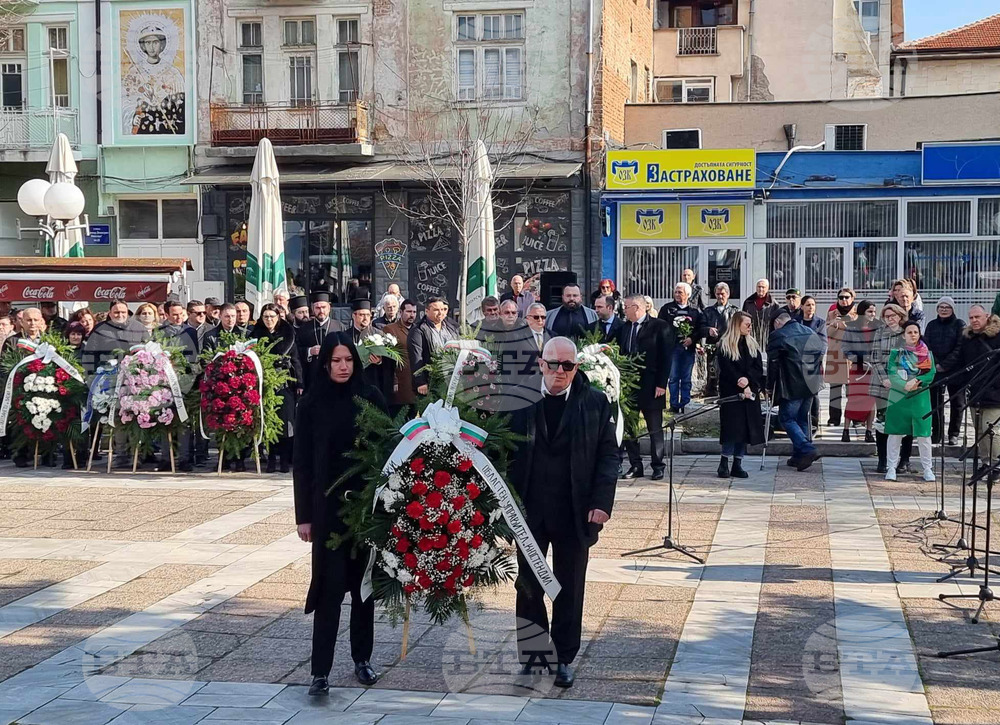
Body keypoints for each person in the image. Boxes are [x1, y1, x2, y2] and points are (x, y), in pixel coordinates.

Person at [507, 336, 619, 688]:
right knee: (528, 586)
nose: (559, 371)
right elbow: (501, 450)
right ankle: (534, 655)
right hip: (529, 511)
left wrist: (602, 503)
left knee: (570, 586)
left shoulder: (596, 403)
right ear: (541, 363)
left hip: (575, 510)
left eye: (567, 366)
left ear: (576, 368)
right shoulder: (518, 402)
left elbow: (609, 457)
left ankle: (563, 658)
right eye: (553, 364)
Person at [293, 333, 385, 696]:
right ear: (326, 363)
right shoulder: (311, 404)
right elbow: (301, 464)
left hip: (365, 510)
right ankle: (320, 670)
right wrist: (304, 516)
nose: (343, 367)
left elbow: (386, 452)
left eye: (349, 360)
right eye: (336, 361)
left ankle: (362, 659)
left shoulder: (371, 397)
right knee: (329, 591)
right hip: (328, 511)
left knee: (364, 591)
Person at [619, 294, 669, 480]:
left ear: (637, 307)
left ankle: (658, 465)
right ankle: (635, 465)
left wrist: (661, 384)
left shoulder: (659, 326)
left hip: (652, 385)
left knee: (654, 427)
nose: (624, 310)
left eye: (626, 307)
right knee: (630, 428)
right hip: (629, 386)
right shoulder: (624, 328)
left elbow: (666, 357)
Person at [767, 313, 824, 471]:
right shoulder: (810, 331)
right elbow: (819, 355)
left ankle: (806, 448)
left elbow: (773, 364)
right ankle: (800, 456)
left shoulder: (778, 335)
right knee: (802, 419)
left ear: (778, 322)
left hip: (792, 383)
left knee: (787, 418)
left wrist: (769, 386)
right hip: (811, 383)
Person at [252, 304, 302, 473]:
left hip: (284, 382)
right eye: (265, 317)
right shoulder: (256, 334)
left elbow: (296, 361)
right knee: (268, 421)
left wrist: (300, 383)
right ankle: (271, 460)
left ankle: (284, 461)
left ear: (278, 317)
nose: (269, 320)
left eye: (272, 317)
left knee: (286, 423)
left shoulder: (288, 335)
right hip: (264, 382)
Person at [883, 322, 936, 482]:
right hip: (899, 397)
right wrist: (903, 384)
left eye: (915, 332)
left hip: (920, 397)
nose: (912, 334)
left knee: (924, 435)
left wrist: (917, 381)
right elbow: (892, 371)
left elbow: (930, 373)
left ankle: (927, 468)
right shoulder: (896, 353)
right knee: (895, 433)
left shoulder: (926, 353)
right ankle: (891, 467)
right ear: (903, 335)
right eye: (909, 332)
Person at [716, 311, 765, 479]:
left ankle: (738, 462)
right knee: (732, 429)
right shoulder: (725, 345)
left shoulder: (752, 344)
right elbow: (727, 368)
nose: (750, 328)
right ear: (737, 325)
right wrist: (739, 380)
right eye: (747, 324)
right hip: (732, 393)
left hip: (749, 392)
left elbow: (757, 367)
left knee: (745, 430)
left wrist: (748, 381)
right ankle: (724, 462)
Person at [952, 305, 1000, 466]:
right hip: (975, 393)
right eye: (971, 318)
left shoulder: (998, 336)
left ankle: (996, 465)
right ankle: (986, 463)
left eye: (977, 317)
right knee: (979, 432)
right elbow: (962, 363)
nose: (974, 320)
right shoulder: (967, 338)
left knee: (992, 431)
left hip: (995, 393)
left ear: (987, 316)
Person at [870, 304, 910, 473]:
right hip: (882, 382)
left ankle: (904, 460)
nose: (890, 319)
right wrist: (885, 378)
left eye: (893, 315)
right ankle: (882, 459)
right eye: (887, 316)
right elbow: (874, 357)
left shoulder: (908, 332)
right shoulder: (880, 332)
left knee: (904, 421)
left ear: (900, 316)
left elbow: (913, 358)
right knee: (882, 421)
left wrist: (900, 380)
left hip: (903, 382)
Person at [924, 296, 967, 446]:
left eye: (947, 307)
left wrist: (946, 364)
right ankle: (937, 434)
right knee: (935, 404)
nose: (943, 309)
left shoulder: (959, 325)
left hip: (955, 370)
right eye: (941, 307)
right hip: (935, 370)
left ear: (952, 309)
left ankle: (953, 434)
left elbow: (960, 348)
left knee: (957, 403)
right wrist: (936, 364)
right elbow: (927, 346)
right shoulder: (931, 325)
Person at [658, 282, 703, 414]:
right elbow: (660, 327)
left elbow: (699, 329)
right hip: (672, 348)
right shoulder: (667, 309)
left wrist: (692, 339)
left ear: (688, 295)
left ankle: (685, 403)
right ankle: (674, 404)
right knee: (673, 377)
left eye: (680, 292)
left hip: (688, 349)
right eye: (676, 292)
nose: (677, 294)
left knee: (686, 377)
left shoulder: (694, 311)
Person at [407, 297, 459, 396]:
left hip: (452, 379)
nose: (440, 313)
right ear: (426, 311)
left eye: (443, 309)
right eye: (436, 310)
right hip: (430, 381)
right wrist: (420, 382)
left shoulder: (452, 327)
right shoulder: (418, 330)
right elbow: (416, 358)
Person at [81, 300, 149, 375]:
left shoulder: (139, 327)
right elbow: (90, 353)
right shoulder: (99, 329)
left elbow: (148, 349)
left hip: (134, 374)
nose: (120, 315)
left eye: (123, 312)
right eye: (116, 312)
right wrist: (92, 373)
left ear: (127, 313)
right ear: (110, 314)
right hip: (107, 374)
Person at [824, 287, 858, 429]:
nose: (844, 300)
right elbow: (827, 332)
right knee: (835, 390)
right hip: (835, 355)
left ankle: (855, 418)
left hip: (852, 356)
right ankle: (834, 418)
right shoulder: (832, 313)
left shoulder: (857, 314)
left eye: (846, 297)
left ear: (852, 299)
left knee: (853, 390)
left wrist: (842, 325)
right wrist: (836, 323)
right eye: (841, 297)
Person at [350, 299, 395, 402]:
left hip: (376, 383)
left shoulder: (379, 334)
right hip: (354, 383)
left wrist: (380, 361)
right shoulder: (346, 335)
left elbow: (392, 361)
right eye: (361, 315)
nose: (365, 318)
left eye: (368, 315)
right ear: (354, 315)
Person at [296, 292, 344, 391]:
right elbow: (296, 352)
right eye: (317, 308)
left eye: (323, 307)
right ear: (312, 309)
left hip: (334, 376)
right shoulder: (304, 328)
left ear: (329, 308)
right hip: (312, 377)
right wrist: (310, 351)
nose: (321, 310)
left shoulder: (339, 327)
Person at [702, 282, 740, 397]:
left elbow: (738, 329)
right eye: (718, 294)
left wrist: (724, 341)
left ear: (728, 294)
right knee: (712, 372)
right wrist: (708, 330)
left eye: (722, 294)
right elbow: (700, 328)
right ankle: (711, 395)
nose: (720, 296)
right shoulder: (708, 311)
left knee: (729, 372)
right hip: (712, 348)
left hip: (730, 347)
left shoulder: (735, 311)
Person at [383, 299, 418, 416]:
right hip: (400, 381)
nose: (411, 315)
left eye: (414, 312)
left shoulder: (419, 330)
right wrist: (394, 380)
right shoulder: (390, 329)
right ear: (401, 312)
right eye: (408, 311)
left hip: (417, 383)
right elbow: (388, 359)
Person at [742, 278, 776, 347]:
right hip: (751, 337)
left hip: (767, 338)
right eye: (759, 287)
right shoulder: (748, 302)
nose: (760, 289)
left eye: (763, 287)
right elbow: (743, 319)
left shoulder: (773, 304)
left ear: (767, 289)